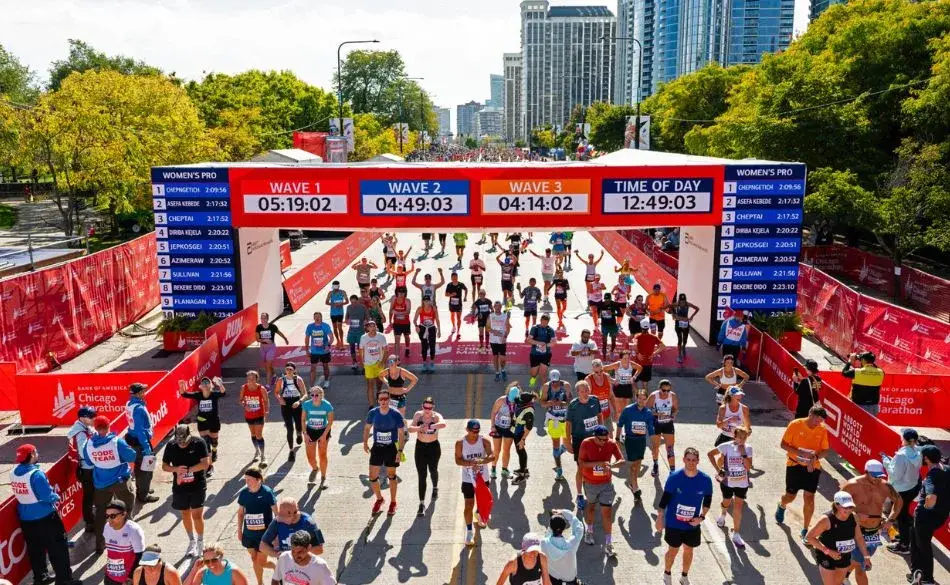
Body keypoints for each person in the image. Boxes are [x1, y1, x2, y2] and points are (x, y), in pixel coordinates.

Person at [10, 444, 79, 585]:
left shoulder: (13, 472)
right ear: (32, 455)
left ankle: (40, 578)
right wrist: (56, 497)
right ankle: (64, 580)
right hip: (45, 517)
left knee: (35, 550)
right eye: (35, 452)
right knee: (58, 548)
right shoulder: (36, 474)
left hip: (26, 519)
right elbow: (47, 496)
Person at [656, 448, 713, 585]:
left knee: (688, 550)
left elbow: (707, 502)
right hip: (674, 523)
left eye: (694, 460)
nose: (691, 463)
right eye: (688, 459)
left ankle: (684, 576)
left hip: (692, 525)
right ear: (683, 460)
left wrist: (701, 517)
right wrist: (659, 518)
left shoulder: (705, 480)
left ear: (698, 461)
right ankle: (667, 573)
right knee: (673, 550)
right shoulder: (674, 477)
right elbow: (664, 500)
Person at [839, 459, 901, 585]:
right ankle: (841, 576)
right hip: (855, 530)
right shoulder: (852, 485)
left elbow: (899, 501)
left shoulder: (885, 486)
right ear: (866, 472)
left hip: (873, 533)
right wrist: (854, 515)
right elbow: (836, 505)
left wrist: (891, 519)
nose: (878, 479)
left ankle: (843, 575)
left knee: (859, 563)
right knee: (860, 565)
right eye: (875, 476)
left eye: (880, 476)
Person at [776, 406, 830, 543]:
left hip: (813, 468)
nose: (818, 423)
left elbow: (825, 451)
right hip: (794, 465)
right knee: (790, 496)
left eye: (821, 421)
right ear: (810, 414)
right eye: (817, 420)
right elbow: (783, 444)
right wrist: (801, 453)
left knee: (809, 497)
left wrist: (815, 458)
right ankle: (782, 505)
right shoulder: (795, 425)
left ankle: (806, 530)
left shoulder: (822, 430)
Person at [83, 415, 137, 554]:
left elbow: (88, 462)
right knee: (126, 511)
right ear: (109, 426)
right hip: (120, 482)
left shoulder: (88, 444)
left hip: (101, 483)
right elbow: (132, 456)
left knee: (101, 514)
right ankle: (128, 542)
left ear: (95, 428)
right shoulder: (117, 442)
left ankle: (100, 545)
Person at [161, 424, 211, 557]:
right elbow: (165, 466)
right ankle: (192, 541)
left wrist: (188, 470)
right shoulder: (171, 445)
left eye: (184, 443)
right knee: (185, 514)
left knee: (196, 515)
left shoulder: (199, 443)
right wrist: (176, 470)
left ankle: (200, 541)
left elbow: (205, 463)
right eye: (179, 443)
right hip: (180, 486)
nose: (182, 445)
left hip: (197, 485)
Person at [805, 492, 871, 585]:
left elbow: (859, 537)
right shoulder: (826, 520)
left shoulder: (854, 517)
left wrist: (866, 557)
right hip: (826, 556)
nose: (848, 510)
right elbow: (809, 537)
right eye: (845, 507)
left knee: (837, 583)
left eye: (851, 507)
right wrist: (828, 551)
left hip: (845, 556)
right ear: (836, 505)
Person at [578, 425, 624, 556]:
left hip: (606, 484)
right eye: (601, 440)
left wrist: (612, 465)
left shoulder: (611, 443)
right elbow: (581, 464)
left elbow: (621, 460)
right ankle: (589, 531)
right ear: (595, 437)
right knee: (591, 507)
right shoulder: (586, 443)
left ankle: (608, 543)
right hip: (590, 483)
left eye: (606, 439)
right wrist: (598, 464)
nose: (604, 442)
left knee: (607, 513)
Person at [707, 426, 754, 549]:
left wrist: (743, 454)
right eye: (740, 437)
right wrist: (718, 470)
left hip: (742, 483)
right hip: (727, 482)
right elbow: (710, 454)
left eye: (744, 438)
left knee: (738, 506)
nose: (742, 440)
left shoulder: (748, 448)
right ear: (735, 436)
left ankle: (736, 534)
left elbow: (748, 468)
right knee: (726, 502)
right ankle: (722, 515)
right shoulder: (726, 446)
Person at [909, 445, 949, 585]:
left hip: (925, 518)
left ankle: (927, 578)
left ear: (926, 459)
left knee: (922, 545)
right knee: (915, 539)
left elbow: (931, 498)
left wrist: (925, 507)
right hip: (940, 516)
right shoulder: (947, 469)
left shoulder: (932, 475)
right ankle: (916, 572)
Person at [364, 389, 406, 516]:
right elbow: (367, 428)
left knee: (391, 475)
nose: (383, 401)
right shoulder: (373, 413)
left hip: (391, 448)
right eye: (381, 399)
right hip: (377, 447)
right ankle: (379, 499)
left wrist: (400, 451)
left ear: (389, 400)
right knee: (372, 477)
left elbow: (401, 433)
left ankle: (393, 502)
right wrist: (365, 442)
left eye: (386, 399)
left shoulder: (396, 414)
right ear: (378, 401)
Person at [565, 381, 604, 511]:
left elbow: (599, 416)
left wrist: (602, 433)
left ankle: (592, 491)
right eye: (582, 391)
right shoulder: (573, 405)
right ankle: (580, 495)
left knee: (595, 465)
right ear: (578, 392)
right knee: (581, 468)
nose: (585, 392)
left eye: (587, 389)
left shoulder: (595, 400)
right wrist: (568, 441)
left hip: (594, 440)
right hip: (579, 441)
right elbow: (568, 424)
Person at [883, 428, 923, 555]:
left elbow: (895, 475)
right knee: (904, 514)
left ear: (905, 439)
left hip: (902, 490)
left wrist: (886, 461)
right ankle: (906, 537)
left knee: (902, 516)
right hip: (913, 486)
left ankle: (904, 545)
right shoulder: (918, 451)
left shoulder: (901, 455)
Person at [456, 419, 494, 546]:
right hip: (468, 479)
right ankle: (469, 531)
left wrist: (482, 461)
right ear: (467, 430)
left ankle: (479, 514)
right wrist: (469, 463)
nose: (475, 434)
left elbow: (492, 456)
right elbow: (458, 460)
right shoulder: (460, 443)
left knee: (483, 502)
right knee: (468, 504)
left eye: (477, 431)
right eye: (473, 431)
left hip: (482, 477)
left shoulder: (484, 441)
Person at [237, 467, 277, 585]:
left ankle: (275, 567)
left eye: (249, 479)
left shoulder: (267, 492)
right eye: (245, 480)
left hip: (264, 535)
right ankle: (260, 583)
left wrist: (276, 533)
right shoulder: (244, 493)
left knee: (262, 562)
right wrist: (239, 530)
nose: (246, 482)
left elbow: (277, 513)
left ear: (258, 479)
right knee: (254, 559)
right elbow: (240, 513)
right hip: (249, 534)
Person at [179, 376, 226, 477]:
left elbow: (223, 393)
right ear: (200, 386)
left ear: (210, 386)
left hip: (214, 422)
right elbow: (184, 394)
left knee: (214, 441)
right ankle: (209, 467)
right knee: (205, 444)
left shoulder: (214, 394)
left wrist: (220, 384)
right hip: (202, 422)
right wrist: (181, 386)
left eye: (207, 382)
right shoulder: (198, 395)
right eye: (203, 382)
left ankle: (215, 450)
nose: (205, 383)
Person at [408, 396, 446, 515]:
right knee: (421, 475)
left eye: (429, 408)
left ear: (433, 407)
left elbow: (443, 424)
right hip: (420, 447)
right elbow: (409, 428)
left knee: (433, 470)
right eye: (425, 407)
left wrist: (431, 426)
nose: (427, 410)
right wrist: (419, 428)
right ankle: (421, 503)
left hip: (433, 447)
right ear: (422, 407)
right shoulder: (418, 415)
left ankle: (435, 487)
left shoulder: (436, 416)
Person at [616, 390, 655, 501]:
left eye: (644, 399)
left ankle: (633, 483)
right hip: (630, 440)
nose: (641, 401)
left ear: (646, 399)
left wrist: (653, 445)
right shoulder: (628, 410)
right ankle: (635, 487)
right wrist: (617, 438)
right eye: (639, 398)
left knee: (638, 463)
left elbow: (651, 429)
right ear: (636, 398)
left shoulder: (648, 412)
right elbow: (620, 424)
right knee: (633, 465)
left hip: (641, 441)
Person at [125, 382, 159, 505]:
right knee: (145, 470)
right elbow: (140, 431)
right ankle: (143, 495)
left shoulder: (130, 403)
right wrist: (146, 448)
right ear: (139, 394)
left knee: (142, 468)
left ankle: (144, 489)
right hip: (141, 443)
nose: (145, 392)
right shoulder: (138, 409)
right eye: (143, 391)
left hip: (135, 440)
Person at [260, 498, 325, 557]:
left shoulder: (309, 522)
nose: (281, 520)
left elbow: (320, 549)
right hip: (286, 565)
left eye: (284, 517)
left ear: (293, 514)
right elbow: (262, 546)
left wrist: (297, 555)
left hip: (304, 564)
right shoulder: (277, 521)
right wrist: (278, 555)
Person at [67, 405, 96, 534]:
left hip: (88, 467)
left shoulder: (84, 427)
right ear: (83, 418)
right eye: (91, 416)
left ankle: (92, 519)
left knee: (92, 495)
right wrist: (97, 458)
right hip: (87, 468)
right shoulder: (80, 433)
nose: (93, 418)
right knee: (89, 496)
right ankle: (89, 523)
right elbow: (84, 453)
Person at [103, 500, 145, 585]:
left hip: (127, 579)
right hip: (110, 575)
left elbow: (140, 556)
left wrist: (130, 577)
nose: (109, 520)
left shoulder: (133, 530)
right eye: (107, 516)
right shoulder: (107, 527)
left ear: (123, 514)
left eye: (113, 516)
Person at [541, 370, 573, 482]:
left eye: (557, 382)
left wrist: (564, 403)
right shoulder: (546, 387)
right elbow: (542, 403)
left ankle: (558, 453)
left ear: (560, 379)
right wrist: (550, 403)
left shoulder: (566, 385)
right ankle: (559, 469)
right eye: (553, 382)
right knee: (555, 444)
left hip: (565, 418)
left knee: (569, 446)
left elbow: (571, 401)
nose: (554, 384)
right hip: (553, 419)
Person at [300, 386, 334, 487]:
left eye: (317, 394)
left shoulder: (327, 405)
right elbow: (302, 420)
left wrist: (324, 435)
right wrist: (305, 434)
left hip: (323, 430)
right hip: (310, 430)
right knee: (310, 457)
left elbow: (330, 421)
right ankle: (315, 468)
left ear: (321, 395)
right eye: (312, 395)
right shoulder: (306, 404)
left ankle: (323, 477)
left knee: (322, 455)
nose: (314, 396)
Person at [274, 363, 308, 461]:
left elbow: (305, 394)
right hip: (285, 404)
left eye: (290, 369)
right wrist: (280, 399)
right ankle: (291, 450)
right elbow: (276, 392)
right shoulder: (281, 380)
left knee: (298, 425)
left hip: (296, 402)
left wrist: (299, 401)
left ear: (294, 370)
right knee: (289, 428)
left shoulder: (298, 379)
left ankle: (299, 433)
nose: (288, 371)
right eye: (287, 369)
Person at [540, 510, 584, 585]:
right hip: (570, 582)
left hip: (552, 581)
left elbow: (548, 534)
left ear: (551, 526)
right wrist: (564, 512)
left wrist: (553, 521)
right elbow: (579, 529)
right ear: (564, 528)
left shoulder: (544, 543)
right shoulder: (571, 545)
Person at [647, 379, 679, 477]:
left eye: (668, 390)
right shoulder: (653, 396)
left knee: (670, 448)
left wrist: (673, 414)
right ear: (659, 388)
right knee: (655, 447)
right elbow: (646, 410)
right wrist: (657, 413)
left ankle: (672, 471)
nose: (666, 393)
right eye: (663, 390)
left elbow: (675, 408)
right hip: (655, 423)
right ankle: (655, 464)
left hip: (667, 423)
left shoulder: (672, 396)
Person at [489, 382, 522, 479]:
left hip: (510, 428)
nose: (512, 403)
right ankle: (493, 469)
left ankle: (504, 469)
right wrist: (493, 426)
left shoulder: (519, 402)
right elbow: (493, 413)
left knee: (506, 450)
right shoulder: (501, 400)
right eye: (511, 400)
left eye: (514, 401)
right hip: (498, 427)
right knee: (496, 450)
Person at [240, 371, 270, 467]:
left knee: (259, 435)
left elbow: (266, 401)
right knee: (253, 434)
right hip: (249, 415)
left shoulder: (261, 389)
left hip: (259, 415)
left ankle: (263, 456)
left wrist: (266, 413)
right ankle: (256, 451)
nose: (250, 381)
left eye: (252, 379)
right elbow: (241, 400)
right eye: (248, 379)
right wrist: (245, 406)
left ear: (257, 379)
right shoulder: (243, 388)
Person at [842, 351, 885, 416]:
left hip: (859, 406)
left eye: (861, 360)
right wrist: (871, 362)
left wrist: (850, 361)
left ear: (863, 360)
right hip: (874, 406)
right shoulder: (881, 372)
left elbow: (844, 372)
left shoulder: (857, 372)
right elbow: (876, 368)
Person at [604, 351, 643, 420]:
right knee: (619, 410)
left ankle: (625, 426)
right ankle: (619, 426)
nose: (627, 360)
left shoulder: (631, 364)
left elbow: (640, 368)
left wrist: (634, 377)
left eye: (628, 358)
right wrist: (611, 380)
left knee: (626, 409)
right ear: (620, 358)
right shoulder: (617, 365)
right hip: (618, 387)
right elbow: (604, 369)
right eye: (625, 358)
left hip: (627, 387)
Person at [511, 388, 538, 484]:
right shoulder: (523, 404)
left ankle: (522, 475)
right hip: (516, 431)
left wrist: (523, 440)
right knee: (520, 451)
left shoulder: (529, 412)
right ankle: (524, 469)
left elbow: (529, 427)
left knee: (521, 451)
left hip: (521, 433)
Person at [359, 320, 388, 403]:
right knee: (370, 385)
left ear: (376, 327)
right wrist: (362, 361)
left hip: (379, 363)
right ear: (367, 328)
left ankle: (378, 393)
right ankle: (371, 405)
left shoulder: (381, 336)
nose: (373, 328)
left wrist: (383, 362)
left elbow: (386, 350)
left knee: (379, 383)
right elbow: (361, 350)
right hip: (368, 364)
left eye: (374, 326)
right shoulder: (363, 337)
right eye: (370, 326)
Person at [632, 319, 665, 393]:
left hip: (637, 363)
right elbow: (663, 346)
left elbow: (634, 345)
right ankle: (644, 400)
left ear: (641, 327)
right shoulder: (654, 337)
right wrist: (654, 353)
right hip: (648, 363)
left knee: (633, 382)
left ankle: (638, 396)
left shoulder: (637, 336)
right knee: (645, 385)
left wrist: (638, 354)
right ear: (648, 327)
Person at [256, 313, 288, 383]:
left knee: (268, 366)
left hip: (271, 347)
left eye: (264, 318)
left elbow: (279, 333)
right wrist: (264, 340)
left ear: (267, 319)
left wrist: (285, 339)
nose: (263, 320)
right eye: (261, 318)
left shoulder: (272, 326)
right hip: (262, 348)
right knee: (267, 365)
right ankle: (274, 375)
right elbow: (257, 339)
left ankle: (267, 385)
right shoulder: (258, 327)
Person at [304, 312, 333, 388]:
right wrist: (307, 350)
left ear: (321, 317)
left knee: (325, 366)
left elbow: (331, 337)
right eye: (315, 317)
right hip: (314, 351)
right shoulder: (310, 326)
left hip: (324, 351)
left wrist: (328, 345)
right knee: (313, 368)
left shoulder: (325, 326)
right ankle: (311, 386)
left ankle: (326, 381)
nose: (317, 318)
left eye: (318, 317)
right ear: (314, 318)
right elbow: (307, 338)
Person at [527, 313, 556, 390]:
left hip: (546, 355)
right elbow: (529, 340)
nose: (544, 324)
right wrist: (539, 343)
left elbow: (553, 343)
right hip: (535, 354)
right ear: (540, 320)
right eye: (543, 322)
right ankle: (532, 382)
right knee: (534, 374)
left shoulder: (551, 330)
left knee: (543, 374)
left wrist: (545, 345)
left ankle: (544, 391)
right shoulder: (534, 328)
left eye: (546, 323)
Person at [585, 359, 615, 431]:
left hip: (606, 414)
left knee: (609, 436)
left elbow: (611, 395)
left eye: (601, 371)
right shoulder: (588, 379)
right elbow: (586, 398)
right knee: (597, 438)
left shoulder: (607, 376)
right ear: (592, 370)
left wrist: (615, 411)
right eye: (596, 372)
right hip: (594, 415)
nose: (599, 374)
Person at [413, 297, 439, 373]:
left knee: (432, 345)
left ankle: (432, 363)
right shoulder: (420, 309)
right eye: (425, 301)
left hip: (431, 328)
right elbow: (414, 320)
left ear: (430, 301)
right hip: (423, 328)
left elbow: (437, 319)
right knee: (424, 346)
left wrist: (439, 330)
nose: (427, 302)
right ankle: (424, 363)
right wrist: (416, 326)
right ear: (423, 301)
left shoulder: (433, 308)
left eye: (428, 301)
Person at [669, 294, 699, 363]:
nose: (682, 302)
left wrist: (692, 316)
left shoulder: (687, 304)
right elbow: (670, 306)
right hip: (678, 324)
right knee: (680, 339)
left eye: (684, 301)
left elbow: (697, 308)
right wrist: (673, 314)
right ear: (679, 300)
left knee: (685, 340)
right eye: (681, 301)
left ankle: (684, 348)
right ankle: (679, 355)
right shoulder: (676, 304)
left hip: (685, 324)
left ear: (685, 300)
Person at [344, 295, 368, 371]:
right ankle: (354, 362)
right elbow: (346, 319)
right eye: (352, 302)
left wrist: (365, 322)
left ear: (358, 301)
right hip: (351, 331)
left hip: (360, 331)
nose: (353, 304)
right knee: (352, 347)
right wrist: (347, 321)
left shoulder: (363, 307)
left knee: (360, 348)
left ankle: (363, 363)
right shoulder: (348, 307)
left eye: (355, 302)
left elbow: (367, 318)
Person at [488, 300, 511, 381]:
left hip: (502, 341)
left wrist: (505, 336)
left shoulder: (505, 316)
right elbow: (487, 328)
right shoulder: (490, 316)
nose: (498, 308)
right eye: (496, 306)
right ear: (494, 307)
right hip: (493, 340)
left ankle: (503, 370)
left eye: (499, 306)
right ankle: (497, 372)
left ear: (501, 307)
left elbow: (508, 327)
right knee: (495, 357)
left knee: (502, 358)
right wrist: (496, 332)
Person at [596, 292, 623, 359]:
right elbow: (598, 314)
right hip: (604, 326)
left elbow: (620, 314)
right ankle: (604, 356)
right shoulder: (601, 304)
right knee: (604, 342)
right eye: (606, 300)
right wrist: (601, 315)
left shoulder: (614, 304)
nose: (607, 301)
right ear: (604, 299)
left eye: (608, 300)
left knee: (613, 342)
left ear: (611, 299)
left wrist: (613, 314)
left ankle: (611, 352)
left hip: (613, 325)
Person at [389, 289, 413, 359]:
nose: (401, 294)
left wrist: (396, 312)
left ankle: (407, 348)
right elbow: (391, 311)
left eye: (403, 292)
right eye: (400, 292)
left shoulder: (407, 301)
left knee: (407, 337)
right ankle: (397, 357)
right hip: (397, 323)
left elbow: (408, 312)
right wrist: (390, 321)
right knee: (397, 340)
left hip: (406, 323)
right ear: (397, 293)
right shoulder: (394, 299)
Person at [445, 271, 469, 340]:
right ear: (451, 278)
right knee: (452, 316)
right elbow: (446, 294)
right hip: (452, 304)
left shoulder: (460, 284)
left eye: (455, 277)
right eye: (453, 278)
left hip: (459, 304)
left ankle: (458, 331)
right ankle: (453, 326)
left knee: (458, 318)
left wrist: (465, 297)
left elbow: (466, 289)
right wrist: (451, 295)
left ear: (457, 277)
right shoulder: (449, 285)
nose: (454, 279)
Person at [325, 282, 348, 351]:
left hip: (340, 313)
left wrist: (341, 303)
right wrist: (333, 304)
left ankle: (342, 341)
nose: (335, 288)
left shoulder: (343, 292)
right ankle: (337, 341)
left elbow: (347, 301)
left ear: (338, 286)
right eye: (334, 286)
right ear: (332, 286)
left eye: (336, 286)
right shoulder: (330, 293)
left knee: (340, 327)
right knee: (335, 328)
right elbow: (326, 302)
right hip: (333, 313)